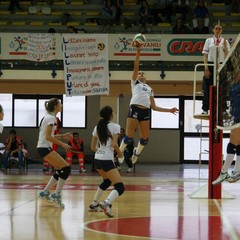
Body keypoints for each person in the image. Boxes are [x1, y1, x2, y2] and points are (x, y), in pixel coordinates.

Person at [119, 45, 179, 165]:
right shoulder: (135, 83)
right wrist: (138, 51)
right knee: (129, 137)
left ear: (146, 77)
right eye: (139, 73)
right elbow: (136, 66)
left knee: (145, 139)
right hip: (135, 108)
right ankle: (120, 152)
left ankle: (136, 153)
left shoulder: (150, 89)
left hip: (145, 111)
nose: (140, 74)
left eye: (142, 73)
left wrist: (169, 110)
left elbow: (154, 107)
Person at [88, 105, 125, 218]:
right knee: (120, 187)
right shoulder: (115, 126)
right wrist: (120, 154)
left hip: (97, 158)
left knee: (107, 181)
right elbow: (114, 144)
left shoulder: (97, 127)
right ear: (111, 115)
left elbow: (93, 147)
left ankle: (94, 204)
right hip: (106, 159)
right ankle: (106, 203)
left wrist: (102, 152)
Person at [37, 98, 72, 208]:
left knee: (61, 170)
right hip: (44, 147)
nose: (61, 105)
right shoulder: (52, 118)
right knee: (66, 168)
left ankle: (45, 192)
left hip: (43, 147)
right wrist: (63, 144)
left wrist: (62, 136)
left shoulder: (49, 117)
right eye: (60, 104)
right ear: (55, 106)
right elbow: (48, 137)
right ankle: (56, 194)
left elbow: (49, 136)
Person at [212, 81, 240, 185]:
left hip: (238, 118)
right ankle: (230, 172)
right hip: (236, 117)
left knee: (233, 145)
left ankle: (229, 172)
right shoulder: (234, 86)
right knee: (234, 145)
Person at [201, 24, 231, 115]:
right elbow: (205, 55)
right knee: (207, 88)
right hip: (210, 65)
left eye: (220, 28)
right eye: (216, 28)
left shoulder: (225, 41)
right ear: (213, 30)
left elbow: (227, 56)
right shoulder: (208, 40)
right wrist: (206, 68)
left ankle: (223, 109)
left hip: (221, 65)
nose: (218, 30)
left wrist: (225, 48)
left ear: (222, 30)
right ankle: (205, 109)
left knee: (222, 87)